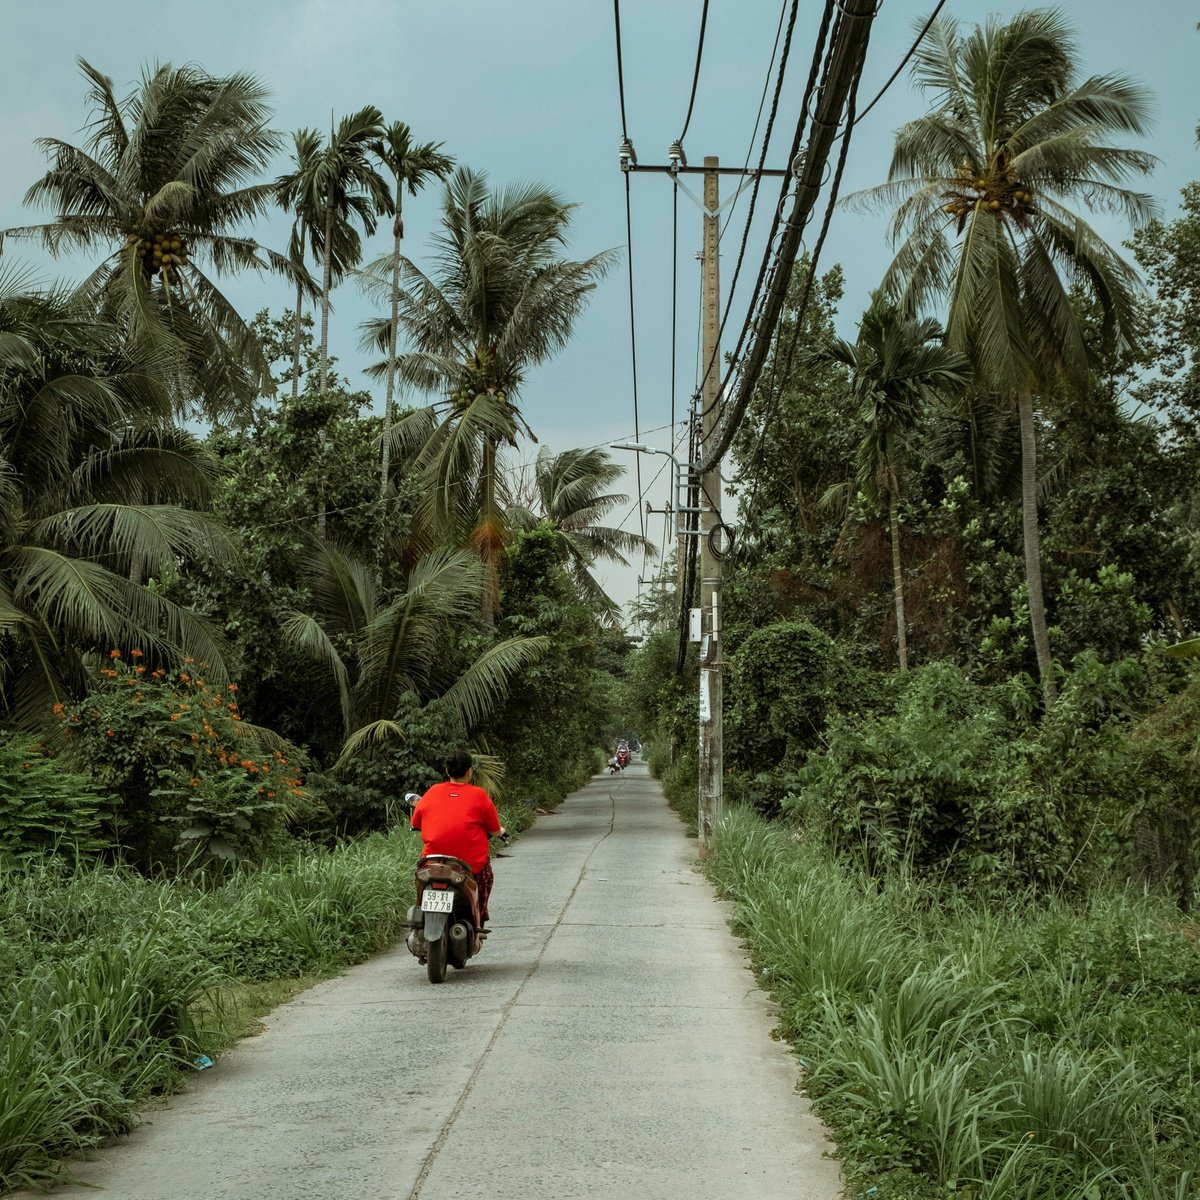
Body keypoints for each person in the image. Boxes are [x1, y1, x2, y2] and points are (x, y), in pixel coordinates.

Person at [410, 750, 506, 925]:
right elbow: (493, 830)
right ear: (469, 771)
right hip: (469, 864)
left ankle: (418, 920)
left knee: (420, 881)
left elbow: (415, 822)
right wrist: (500, 831)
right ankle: (479, 920)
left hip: (433, 862)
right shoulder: (479, 795)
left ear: (447, 771)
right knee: (486, 878)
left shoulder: (432, 791)